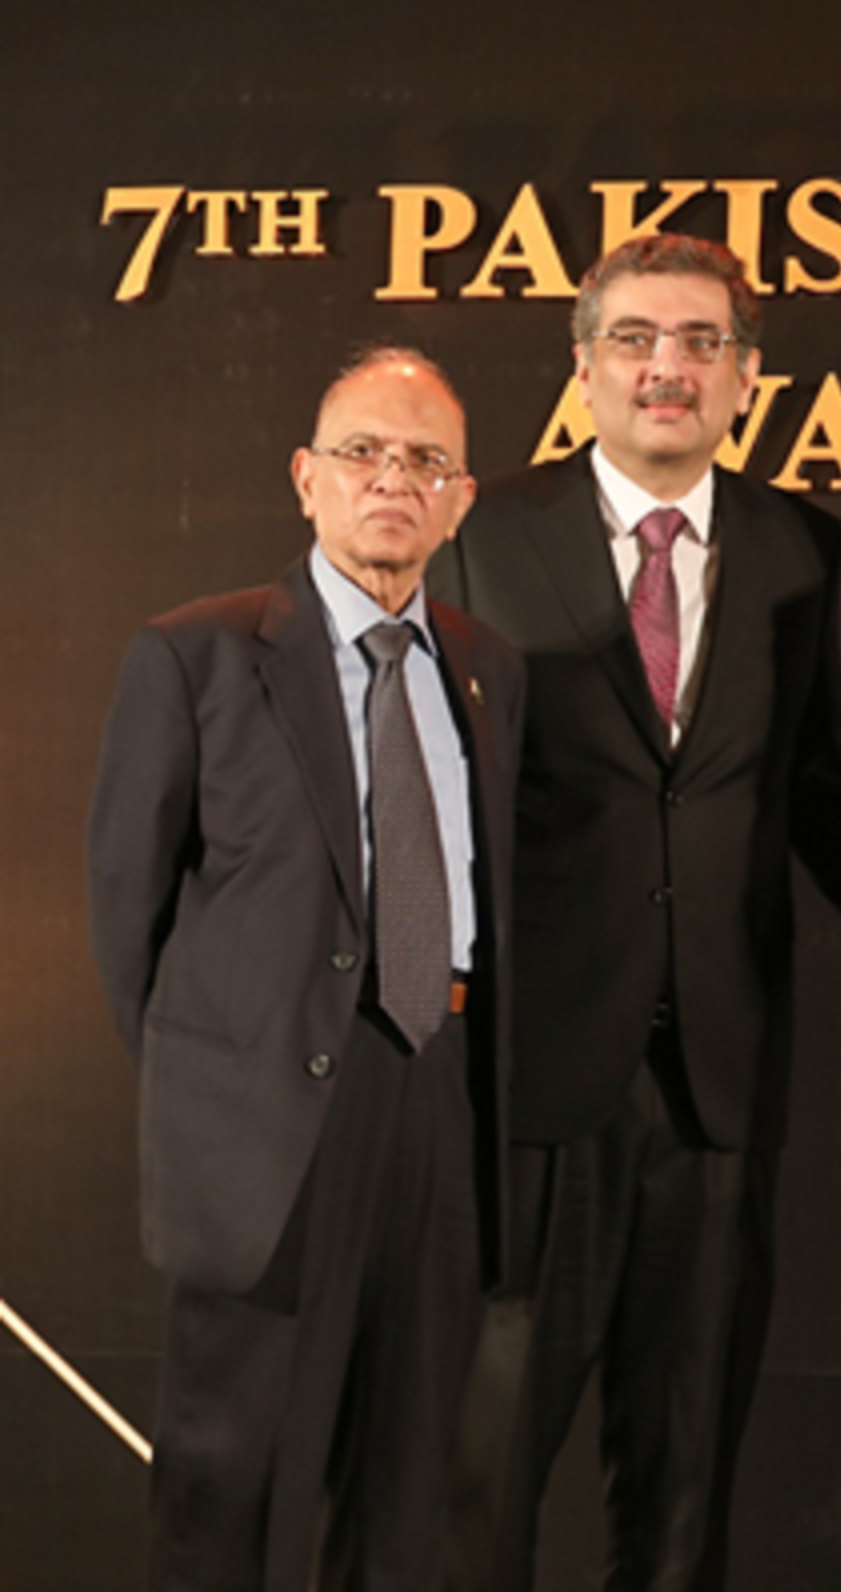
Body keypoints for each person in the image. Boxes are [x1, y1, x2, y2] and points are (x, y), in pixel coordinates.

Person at [429, 233, 841, 1590]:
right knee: (480, 1481)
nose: (666, 367)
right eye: (635, 338)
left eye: (701, 342)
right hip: (528, 1086)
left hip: (722, 1086)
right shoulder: (480, 531)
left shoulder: (806, 547)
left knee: (682, 1495)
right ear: (583, 367)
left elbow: (821, 796)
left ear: (748, 376)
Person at [87, 348, 522, 1590]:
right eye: (363, 453)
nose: (393, 478)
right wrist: (227, 1086)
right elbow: (130, 918)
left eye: (424, 460)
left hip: (438, 1093)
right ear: (306, 478)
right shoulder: (198, 656)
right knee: (235, 1495)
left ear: (461, 497)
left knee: (411, 1489)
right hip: (269, 1127)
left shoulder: (492, 667)